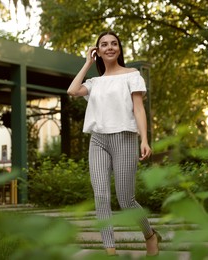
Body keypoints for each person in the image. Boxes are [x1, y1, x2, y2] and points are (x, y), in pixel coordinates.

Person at [67, 31, 161, 256]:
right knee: (100, 195)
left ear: (119, 49)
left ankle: (150, 234)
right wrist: (87, 62)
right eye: (103, 45)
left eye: (114, 44)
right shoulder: (94, 82)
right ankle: (110, 251)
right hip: (98, 140)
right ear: (97, 51)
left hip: (125, 138)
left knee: (126, 200)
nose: (109, 47)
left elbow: (138, 108)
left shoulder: (132, 75)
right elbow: (72, 91)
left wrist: (144, 139)